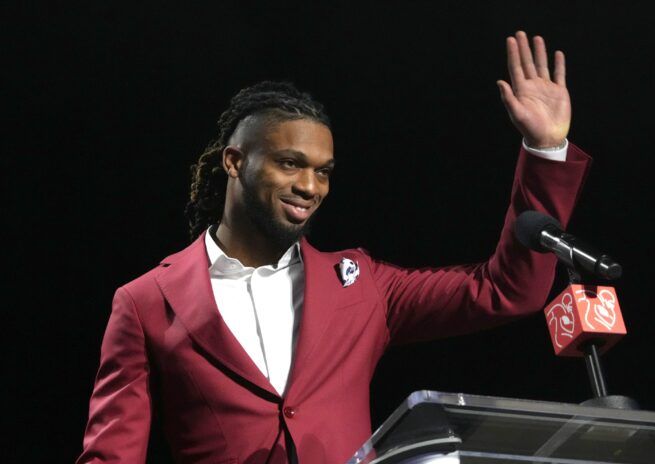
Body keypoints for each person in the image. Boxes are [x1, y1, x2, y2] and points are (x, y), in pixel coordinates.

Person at [77, 31, 591, 464]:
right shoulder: (146, 302)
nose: (310, 186)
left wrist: (545, 151)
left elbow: (506, 290)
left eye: (323, 172)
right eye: (289, 163)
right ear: (235, 162)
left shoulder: (362, 286)